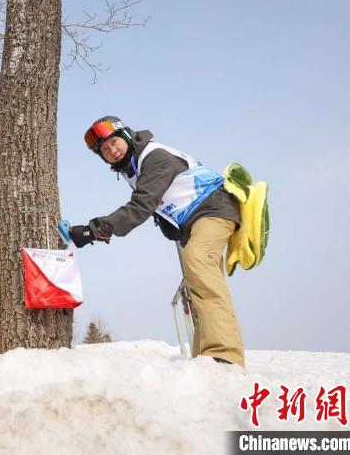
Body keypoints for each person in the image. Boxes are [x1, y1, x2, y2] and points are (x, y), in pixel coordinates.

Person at [70, 116, 245, 367]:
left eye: (115, 142)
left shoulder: (154, 157)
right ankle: (204, 359)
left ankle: (225, 355)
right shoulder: (133, 168)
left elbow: (141, 205)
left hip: (213, 208)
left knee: (199, 264)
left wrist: (94, 230)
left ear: (127, 136)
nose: (112, 150)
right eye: (105, 150)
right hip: (193, 220)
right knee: (195, 282)